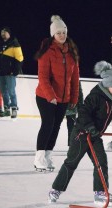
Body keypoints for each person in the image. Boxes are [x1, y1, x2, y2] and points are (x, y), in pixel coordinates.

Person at [48, 61, 112, 205]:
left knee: (101, 162)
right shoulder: (96, 96)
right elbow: (83, 113)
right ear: (107, 85)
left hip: (95, 136)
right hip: (82, 134)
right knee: (71, 163)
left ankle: (100, 193)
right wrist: (90, 127)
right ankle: (55, 190)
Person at [33, 15, 80, 172]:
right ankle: (38, 158)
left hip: (64, 98)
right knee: (48, 125)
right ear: (53, 34)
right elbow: (43, 78)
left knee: (56, 127)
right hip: (45, 97)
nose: (62, 35)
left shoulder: (71, 53)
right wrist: (50, 96)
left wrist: (74, 98)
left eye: (64, 32)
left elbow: (75, 79)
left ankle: (47, 155)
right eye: (58, 32)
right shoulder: (47, 52)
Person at [0, 27, 24, 118]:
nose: (3, 34)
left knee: (11, 92)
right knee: (4, 92)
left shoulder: (14, 43)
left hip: (10, 73)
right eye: (1, 32)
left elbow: (20, 58)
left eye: (4, 32)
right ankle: (7, 109)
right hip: (1, 73)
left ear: (9, 33)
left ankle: (14, 109)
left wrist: (15, 71)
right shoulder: (0, 45)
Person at [65, 81, 83, 146]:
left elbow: (79, 94)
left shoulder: (76, 80)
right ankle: (47, 147)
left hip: (71, 107)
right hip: (61, 106)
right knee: (54, 126)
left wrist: (81, 107)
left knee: (71, 127)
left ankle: (71, 144)